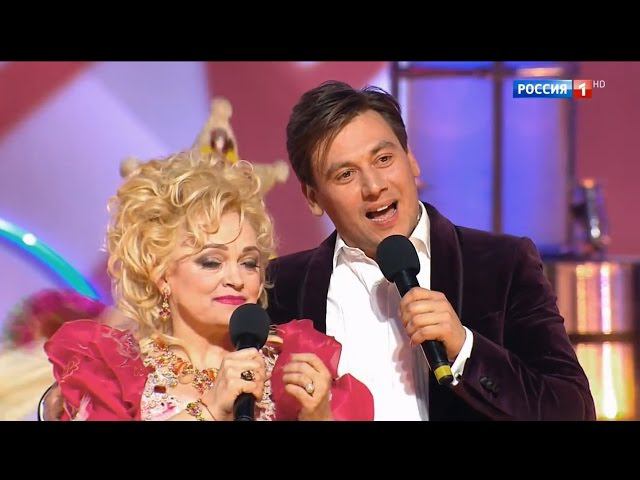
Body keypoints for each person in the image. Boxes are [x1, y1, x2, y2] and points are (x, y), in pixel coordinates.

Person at [266, 80, 596, 420]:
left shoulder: (503, 265)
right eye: (346, 174)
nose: (374, 186)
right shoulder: (279, 286)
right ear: (313, 197)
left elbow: (573, 410)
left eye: (383, 159)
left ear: (411, 160)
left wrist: (464, 347)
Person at [43, 150, 372, 421]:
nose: (236, 279)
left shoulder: (294, 362)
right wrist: (210, 408)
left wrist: (319, 416)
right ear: (161, 274)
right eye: (211, 262)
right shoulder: (113, 372)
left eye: (249, 263)